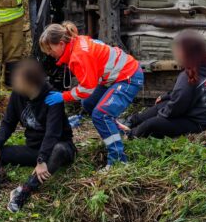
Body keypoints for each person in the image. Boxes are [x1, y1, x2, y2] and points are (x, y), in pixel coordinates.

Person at [0, 59, 76, 212]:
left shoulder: (52, 98)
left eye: (18, 80)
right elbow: (8, 122)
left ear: (30, 82)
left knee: (59, 149)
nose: (14, 83)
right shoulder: (17, 95)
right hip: (34, 149)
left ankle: (24, 191)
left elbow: (52, 134)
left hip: (57, 149)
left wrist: (42, 160)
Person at [40, 22, 143, 167]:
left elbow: (87, 89)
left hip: (128, 77)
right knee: (88, 103)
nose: (49, 53)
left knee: (101, 114)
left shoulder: (79, 56)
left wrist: (64, 96)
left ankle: (118, 160)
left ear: (61, 44)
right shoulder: (75, 43)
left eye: (49, 49)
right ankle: (116, 129)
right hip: (114, 77)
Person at [120, 30, 206, 139]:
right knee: (163, 103)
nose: (176, 54)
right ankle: (132, 121)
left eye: (178, 50)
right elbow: (187, 95)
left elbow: (177, 106)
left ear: (186, 53)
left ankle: (130, 134)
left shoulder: (188, 76)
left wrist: (161, 115)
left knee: (152, 124)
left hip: (203, 124)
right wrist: (166, 97)